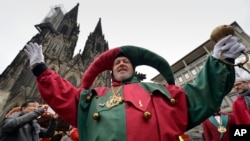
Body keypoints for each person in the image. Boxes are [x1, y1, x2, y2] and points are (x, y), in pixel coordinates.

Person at [24, 35, 245, 141]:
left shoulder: (161, 92)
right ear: (111, 72)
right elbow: (66, 96)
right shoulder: (94, 98)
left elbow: (197, 96)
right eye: (117, 62)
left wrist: (218, 64)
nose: (121, 62)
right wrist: (41, 70)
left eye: (126, 61)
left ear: (133, 67)